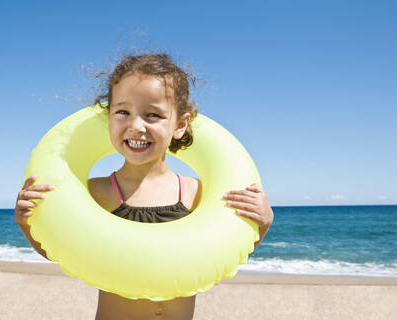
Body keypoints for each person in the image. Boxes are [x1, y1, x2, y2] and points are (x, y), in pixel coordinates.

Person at [14, 53, 274, 320]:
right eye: (123, 112)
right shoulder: (99, 192)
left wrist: (261, 223)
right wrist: (29, 224)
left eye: (153, 115)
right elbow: (67, 250)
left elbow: (224, 251)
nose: (136, 126)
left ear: (180, 125)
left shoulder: (195, 192)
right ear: (109, 117)